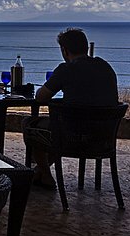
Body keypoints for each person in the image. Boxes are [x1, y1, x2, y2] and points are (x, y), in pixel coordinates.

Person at [23, 28, 119, 189]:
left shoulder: (66, 69)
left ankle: (45, 175)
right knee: (56, 128)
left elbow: (40, 97)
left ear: (64, 50)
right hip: (102, 138)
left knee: (30, 124)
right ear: (86, 48)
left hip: (71, 138)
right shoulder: (105, 67)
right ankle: (40, 170)